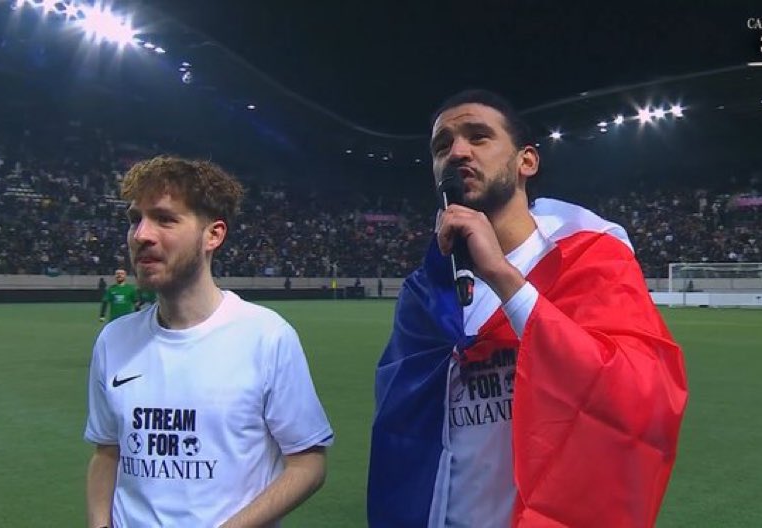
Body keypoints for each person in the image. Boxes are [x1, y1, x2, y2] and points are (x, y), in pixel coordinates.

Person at [368, 90, 687, 527]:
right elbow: (399, 428)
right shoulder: (425, 292)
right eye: (442, 146)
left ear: (527, 162)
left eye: (478, 137)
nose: (457, 151)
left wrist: (503, 278)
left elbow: (637, 394)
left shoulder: (592, 260)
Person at [84, 156, 333, 527]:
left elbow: (308, 463)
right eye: (135, 219)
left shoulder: (266, 336)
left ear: (213, 235)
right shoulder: (114, 340)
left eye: (164, 219)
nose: (141, 235)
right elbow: (107, 452)